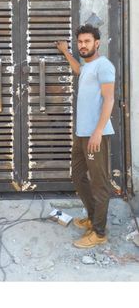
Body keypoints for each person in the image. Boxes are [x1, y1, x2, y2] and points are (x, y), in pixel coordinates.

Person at [55, 24, 115, 248]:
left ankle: (99, 233)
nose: (83, 45)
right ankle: (92, 217)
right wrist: (65, 51)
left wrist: (98, 131)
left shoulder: (104, 66)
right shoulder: (88, 67)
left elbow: (109, 99)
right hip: (82, 135)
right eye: (80, 42)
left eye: (87, 41)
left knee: (99, 184)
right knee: (78, 176)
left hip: (95, 135)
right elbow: (79, 70)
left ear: (97, 43)